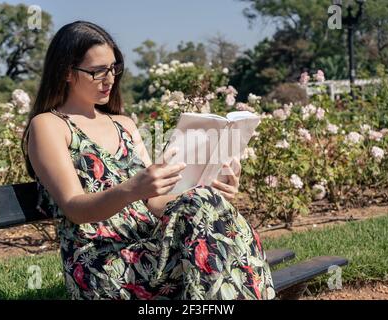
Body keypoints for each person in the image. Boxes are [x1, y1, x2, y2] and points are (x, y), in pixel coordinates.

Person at [22, 20, 275, 300]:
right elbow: (74, 208)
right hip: (103, 264)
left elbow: (154, 202)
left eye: (114, 68)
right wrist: (132, 188)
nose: (109, 79)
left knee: (206, 202)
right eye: (97, 71)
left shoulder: (123, 124)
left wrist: (210, 188)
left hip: (151, 247)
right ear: (67, 72)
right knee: (220, 253)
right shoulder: (49, 125)